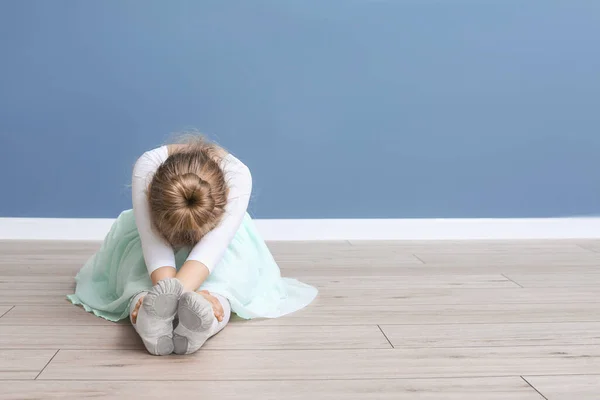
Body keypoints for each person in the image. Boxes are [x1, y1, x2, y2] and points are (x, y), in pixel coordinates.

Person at [68, 135, 317, 356]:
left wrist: (172, 298)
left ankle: (205, 315)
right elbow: (153, 243)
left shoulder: (238, 175)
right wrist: (160, 296)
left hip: (219, 247)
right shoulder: (147, 167)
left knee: (225, 279)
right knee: (139, 276)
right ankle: (146, 313)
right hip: (154, 241)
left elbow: (212, 249)